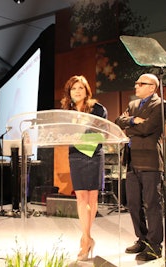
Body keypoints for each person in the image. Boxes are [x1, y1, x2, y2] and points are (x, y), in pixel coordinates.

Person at [115, 73, 166, 262]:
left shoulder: (161, 105)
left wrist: (130, 126)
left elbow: (149, 129)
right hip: (131, 161)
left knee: (152, 205)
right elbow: (117, 121)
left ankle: (155, 247)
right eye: (136, 83)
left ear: (152, 87)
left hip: (150, 161)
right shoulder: (132, 105)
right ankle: (142, 239)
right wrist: (133, 121)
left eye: (140, 83)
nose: (136, 86)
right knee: (133, 204)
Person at [60, 75, 107, 261]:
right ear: (69, 92)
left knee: (92, 195)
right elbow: (63, 132)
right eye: (73, 88)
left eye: (80, 88)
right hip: (75, 155)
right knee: (80, 196)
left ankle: (85, 239)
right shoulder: (67, 110)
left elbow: (100, 133)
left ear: (86, 90)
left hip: (93, 153)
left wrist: (79, 137)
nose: (77, 91)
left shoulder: (97, 109)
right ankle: (87, 238)